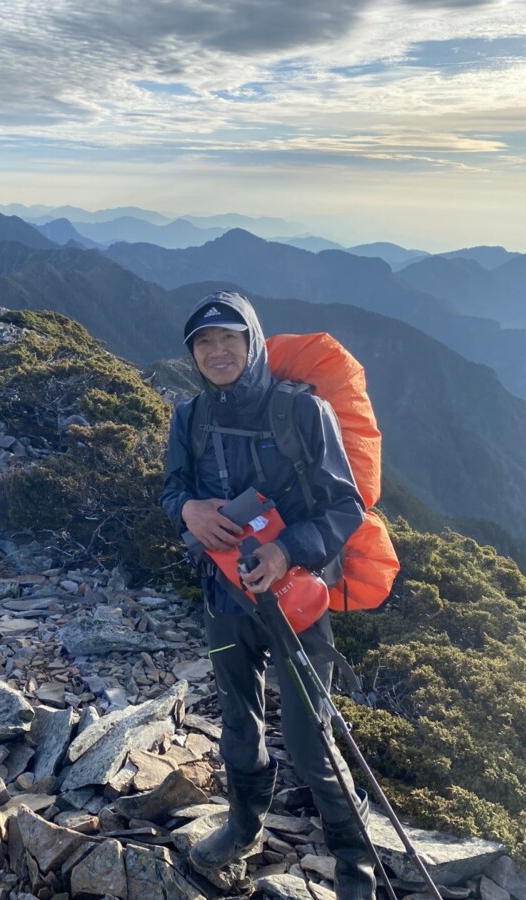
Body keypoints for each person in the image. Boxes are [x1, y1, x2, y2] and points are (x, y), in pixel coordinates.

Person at [160, 290, 376, 900]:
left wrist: (286, 550)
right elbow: (172, 490)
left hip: (295, 598)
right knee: (237, 722)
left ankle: (356, 868)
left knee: (311, 740)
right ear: (193, 355)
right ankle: (244, 826)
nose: (217, 351)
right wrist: (188, 511)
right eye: (204, 342)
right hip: (224, 598)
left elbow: (346, 507)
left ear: (253, 341)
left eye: (229, 337)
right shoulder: (189, 417)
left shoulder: (302, 411)